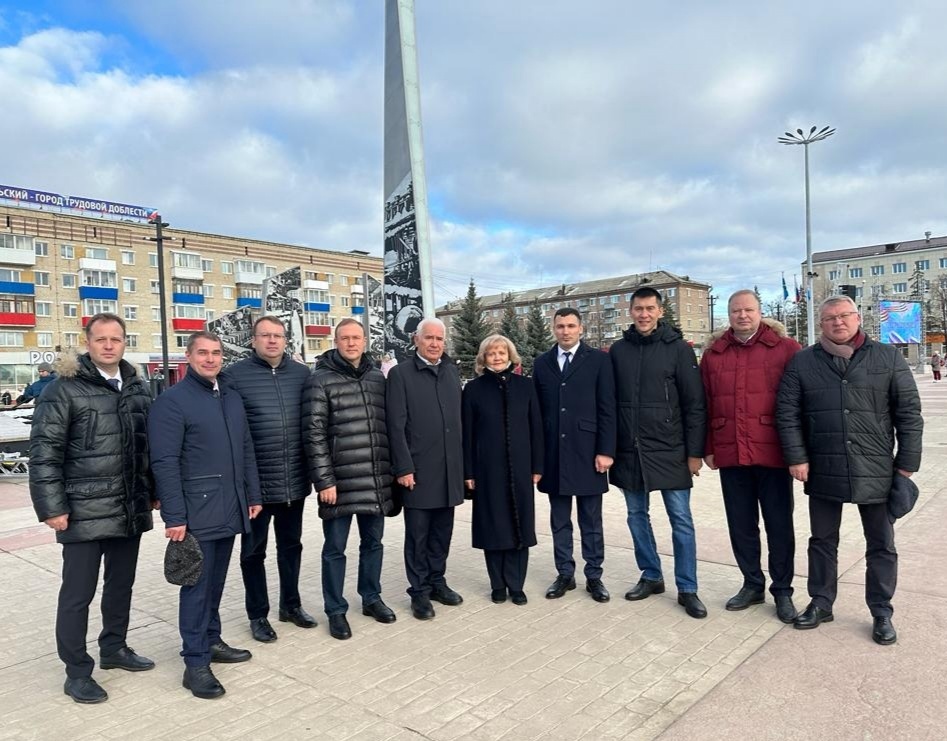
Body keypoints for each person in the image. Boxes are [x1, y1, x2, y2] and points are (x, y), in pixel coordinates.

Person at [777, 295, 922, 645]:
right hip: (823, 466)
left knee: (881, 544)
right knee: (822, 540)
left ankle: (881, 611)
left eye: (844, 315)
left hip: (876, 469)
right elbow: (787, 413)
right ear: (821, 324)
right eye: (830, 318)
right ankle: (821, 602)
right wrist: (797, 457)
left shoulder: (887, 357)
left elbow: (909, 414)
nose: (838, 322)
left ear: (858, 318)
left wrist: (906, 466)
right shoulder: (803, 361)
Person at [29, 313, 156, 704]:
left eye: (115, 339)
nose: (108, 345)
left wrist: (152, 491)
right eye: (101, 339)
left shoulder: (137, 388)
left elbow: (147, 447)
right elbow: (44, 454)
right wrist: (52, 508)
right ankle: (77, 671)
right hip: (82, 510)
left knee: (120, 585)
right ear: (88, 342)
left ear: (124, 342)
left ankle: (114, 648)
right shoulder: (62, 390)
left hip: (128, 506)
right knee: (77, 595)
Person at [149, 331, 262, 699]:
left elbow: (245, 447)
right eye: (202, 353)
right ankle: (195, 662)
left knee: (215, 583)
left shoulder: (229, 396)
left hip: (229, 504)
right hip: (196, 511)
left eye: (216, 353)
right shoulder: (172, 402)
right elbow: (164, 462)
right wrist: (174, 516)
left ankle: (211, 640)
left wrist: (252, 493)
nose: (210, 359)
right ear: (188, 356)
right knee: (196, 587)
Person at [700, 290, 801, 623]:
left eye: (748, 310)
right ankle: (752, 584)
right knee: (741, 525)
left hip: (773, 453)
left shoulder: (786, 349)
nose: (742, 315)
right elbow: (704, 404)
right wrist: (707, 447)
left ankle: (782, 590)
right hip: (731, 453)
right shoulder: (714, 354)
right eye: (735, 311)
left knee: (779, 525)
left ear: (760, 312)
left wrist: (798, 451)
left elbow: (800, 402)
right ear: (728, 314)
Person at [609, 287, 708, 618]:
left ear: (660, 311)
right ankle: (651, 575)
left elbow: (695, 404)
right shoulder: (618, 351)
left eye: (650, 308)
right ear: (631, 311)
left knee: (681, 520)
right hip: (630, 450)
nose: (644, 314)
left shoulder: (679, 349)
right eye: (638, 308)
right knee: (637, 516)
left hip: (671, 449)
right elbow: (608, 403)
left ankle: (688, 587)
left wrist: (694, 453)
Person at [302, 319, 397, 640]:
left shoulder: (377, 378)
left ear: (365, 340)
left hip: (375, 480)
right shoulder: (320, 380)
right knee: (335, 549)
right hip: (338, 483)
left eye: (356, 337)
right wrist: (324, 481)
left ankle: (371, 598)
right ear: (336, 341)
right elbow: (313, 434)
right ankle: (335, 609)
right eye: (345, 338)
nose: (351, 343)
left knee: (373, 544)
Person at [224, 316, 316, 644]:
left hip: (293, 481)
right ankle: (258, 614)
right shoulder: (234, 376)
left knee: (291, 547)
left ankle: (291, 605)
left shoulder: (302, 375)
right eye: (265, 335)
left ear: (286, 340)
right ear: (253, 340)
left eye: (278, 335)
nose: (272, 341)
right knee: (253, 553)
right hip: (256, 485)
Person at [532, 308, 616, 603]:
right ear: (553, 329)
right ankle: (565, 573)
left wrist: (606, 450)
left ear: (581, 328)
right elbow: (536, 412)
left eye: (570, 326)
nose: (565, 331)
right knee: (559, 520)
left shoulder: (599, 361)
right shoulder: (541, 363)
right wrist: (537, 458)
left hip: (588, 451)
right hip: (554, 453)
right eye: (560, 326)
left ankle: (594, 575)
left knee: (590, 520)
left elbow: (607, 407)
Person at [386, 317, 465, 620]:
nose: (434, 344)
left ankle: (437, 582)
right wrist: (403, 467)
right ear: (416, 340)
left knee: (442, 532)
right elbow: (396, 426)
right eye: (429, 338)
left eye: (439, 339)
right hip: (418, 471)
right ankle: (418, 591)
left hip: (449, 469)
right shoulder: (401, 374)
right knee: (418, 536)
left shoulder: (450, 372)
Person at [463, 335, 543, 604]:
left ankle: (516, 584)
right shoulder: (473, 389)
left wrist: (537, 465)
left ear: (510, 355)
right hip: (487, 469)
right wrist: (468, 472)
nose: (497, 357)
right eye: (491, 353)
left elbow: (536, 428)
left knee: (520, 525)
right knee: (493, 525)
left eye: (501, 352)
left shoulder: (526, 386)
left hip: (521, 467)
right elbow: (467, 433)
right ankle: (497, 584)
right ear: (483, 358)